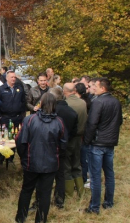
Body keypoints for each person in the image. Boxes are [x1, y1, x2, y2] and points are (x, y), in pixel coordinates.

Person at [15, 93, 67, 223]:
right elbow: (21, 141)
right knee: (44, 192)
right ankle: (40, 221)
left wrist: (24, 158)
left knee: (28, 190)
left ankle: (22, 219)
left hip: (38, 163)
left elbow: (63, 144)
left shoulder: (57, 122)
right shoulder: (31, 120)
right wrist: (24, 158)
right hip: (41, 162)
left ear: (41, 103)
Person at [83, 78, 122, 214]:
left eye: (96, 86)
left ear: (103, 88)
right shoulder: (116, 102)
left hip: (98, 143)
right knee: (109, 173)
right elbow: (119, 121)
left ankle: (94, 207)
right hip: (110, 142)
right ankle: (108, 202)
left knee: (95, 176)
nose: (94, 88)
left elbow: (92, 123)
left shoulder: (98, 102)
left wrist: (87, 140)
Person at [49, 87, 77, 209]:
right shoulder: (72, 112)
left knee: (47, 175)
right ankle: (59, 199)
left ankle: (42, 199)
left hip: (50, 147)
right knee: (61, 175)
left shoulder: (52, 112)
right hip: (64, 146)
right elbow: (74, 131)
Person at [0, 71, 26, 164]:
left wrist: (21, 115)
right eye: (11, 77)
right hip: (4, 118)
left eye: (14, 77)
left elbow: (23, 102)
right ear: (7, 78)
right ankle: (0, 159)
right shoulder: (1, 89)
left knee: (13, 138)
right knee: (3, 139)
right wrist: (0, 116)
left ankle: (11, 158)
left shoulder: (19, 89)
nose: (13, 79)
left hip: (16, 119)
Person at [63, 83, 88, 198]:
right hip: (80, 137)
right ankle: (81, 191)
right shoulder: (83, 102)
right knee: (77, 164)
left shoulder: (67, 104)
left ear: (64, 91)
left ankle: (68, 193)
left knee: (67, 165)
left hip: (69, 138)